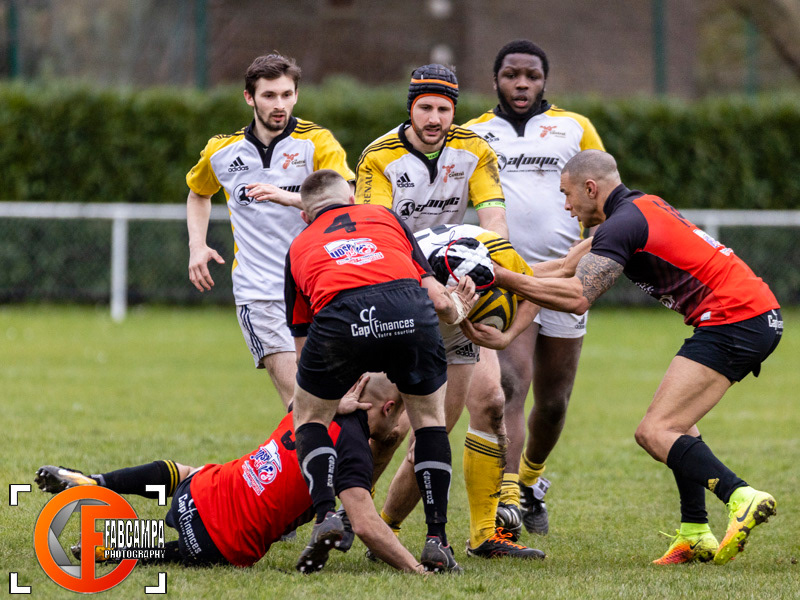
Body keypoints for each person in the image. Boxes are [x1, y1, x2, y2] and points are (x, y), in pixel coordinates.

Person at [494, 149, 782, 565]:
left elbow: (577, 296)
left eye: (567, 194)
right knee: (679, 424)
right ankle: (694, 532)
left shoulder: (622, 224)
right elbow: (563, 268)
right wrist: (488, 273)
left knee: (654, 431)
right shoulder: (638, 209)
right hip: (753, 315)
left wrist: (499, 278)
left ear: (590, 188)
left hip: (735, 318)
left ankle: (740, 495)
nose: (566, 205)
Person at [355, 65, 532, 558]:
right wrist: (428, 281)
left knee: (484, 403)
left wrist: (483, 265)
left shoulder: (475, 150)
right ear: (410, 108)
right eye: (426, 108)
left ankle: (452, 533)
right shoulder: (379, 156)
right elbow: (375, 233)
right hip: (395, 291)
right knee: (385, 426)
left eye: (444, 109)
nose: (434, 118)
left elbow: (494, 223)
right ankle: (345, 514)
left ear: (454, 111)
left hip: (456, 294)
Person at [34, 375, 425, 573]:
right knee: (192, 550)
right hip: (222, 544)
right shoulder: (355, 450)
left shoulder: (311, 405)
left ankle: (97, 483)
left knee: (193, 472)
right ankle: (110, 548)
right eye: (404, 414)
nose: (401, 427)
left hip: (199, 493)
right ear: (388, 407)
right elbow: (366, 525)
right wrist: (416, 569)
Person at [286, 169, 478, 573]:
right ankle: (437, 540)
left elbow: (303, 335)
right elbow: (438, 299)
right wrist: (459, 309)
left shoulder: (299, 245)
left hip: (341, 316)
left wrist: (323, 396)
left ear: (305, 215)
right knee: (429, 422)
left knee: (309, 417)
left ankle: (325, 516)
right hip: (408, 311)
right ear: (351, 199)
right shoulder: (384, 216)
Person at [464, 39, 606, 537]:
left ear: (545, 80)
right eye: (511, 75)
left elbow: (603, 195)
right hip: (506, 279)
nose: (521, 84)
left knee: (554, 401)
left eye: (531, 75)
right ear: (496, 79)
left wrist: (598, 254)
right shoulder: (474, 133)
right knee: (508, 385)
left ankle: (529, 481)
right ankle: (505, 501)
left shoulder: (574, 127)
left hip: (565, 279)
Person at [186, 53, 355, 408]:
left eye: (286, 95)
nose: (280, 105)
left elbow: (346, 200)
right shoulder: (222, 151)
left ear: (296, 95)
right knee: (304, 400)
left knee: (345, 403)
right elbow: (199, 193)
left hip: (320, 285)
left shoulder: (317, 142)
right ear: (249, 97)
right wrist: (197, 245)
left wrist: (287, 197)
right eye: (269, 95)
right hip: (259, 290)